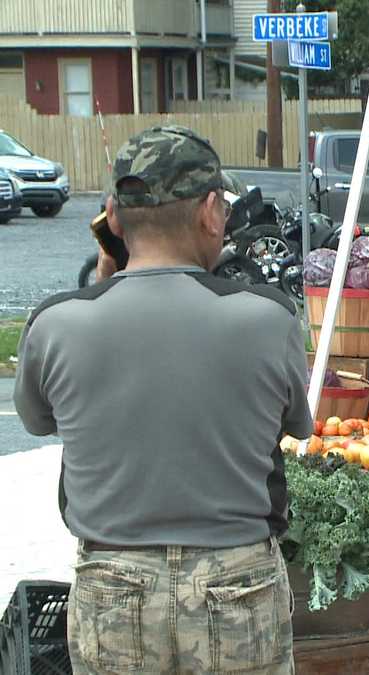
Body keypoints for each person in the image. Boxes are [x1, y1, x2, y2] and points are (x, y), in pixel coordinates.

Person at [14, 125, 312, 674]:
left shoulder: (56, 324)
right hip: (237, 582)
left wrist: (103, 280)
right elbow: (297, 422)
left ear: (113, 217)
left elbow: (36, 419)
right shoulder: (268, 318)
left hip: (112, 585)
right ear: (208, 212)